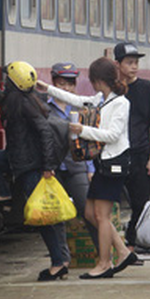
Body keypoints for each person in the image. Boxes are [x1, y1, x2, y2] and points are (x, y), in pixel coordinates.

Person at [38, 57, 137, 279]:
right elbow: (77, 99)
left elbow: (112, 135)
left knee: (101, 216)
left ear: (98, 80)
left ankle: (104, 264)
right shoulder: (101, 99)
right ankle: (121, 252)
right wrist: (49, 89)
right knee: (90, 213)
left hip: (115, 162)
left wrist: (82, 130)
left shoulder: (121, 103)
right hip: (105, 163)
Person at [0, 62, 68, 281]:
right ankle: (60, 261)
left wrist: (48, 167)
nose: (4, 82)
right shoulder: (20, 99)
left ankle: (57, 264)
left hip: (31, 167)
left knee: (43, 217)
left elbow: (45, 133)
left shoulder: (24, 105)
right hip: (20, 161)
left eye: (7, 79)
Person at [46, 62, 100, 268]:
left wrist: (91, 169)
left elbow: (88, 141)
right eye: (61, 83)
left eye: (70, 84)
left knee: (88, 211)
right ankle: (62, 259)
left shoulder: (79, 108)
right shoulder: (45, 109)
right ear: (53, 83)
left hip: (77, 167)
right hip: (54, 169)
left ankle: (102, 256)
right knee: (56, 215)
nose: (66, 88)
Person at [114, 42, 150, 252]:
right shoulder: (113, 90)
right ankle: (117, 245)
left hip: (141, 153)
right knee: (111, 202)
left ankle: (132, 243)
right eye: (129, 62)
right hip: (116, 155)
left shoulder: (146, 88)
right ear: (118, 64)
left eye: (136, 63)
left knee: (140, 203)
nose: (134, 67)